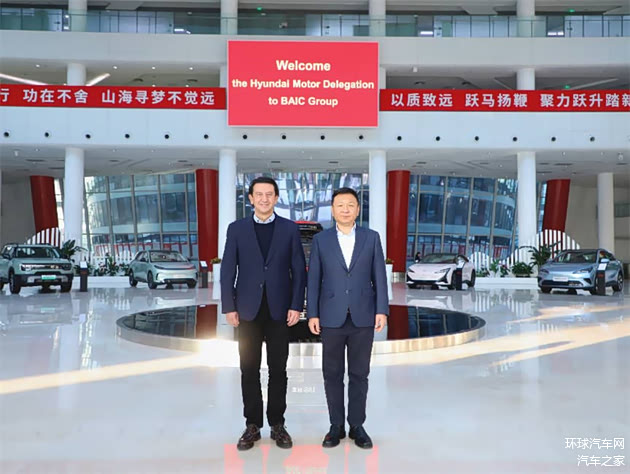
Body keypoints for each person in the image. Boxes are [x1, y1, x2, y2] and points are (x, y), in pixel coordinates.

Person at [221, 176, 307, 451]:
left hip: (280, 311)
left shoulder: (289, 229)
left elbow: (298, 271)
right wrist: (229, 306)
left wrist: (297, 305)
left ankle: (278, 424)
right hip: (247, 310)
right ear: (250, 198)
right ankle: (252, 425)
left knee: (278, 369)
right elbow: (227, 270)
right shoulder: (236, 229)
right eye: (259, 194)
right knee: (248, 368)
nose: (264, 199)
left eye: (269, 194)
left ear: (277, 198)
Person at [306, 187, 388, 450]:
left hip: (363, 316)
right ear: (332, 210)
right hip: (331, 316)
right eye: (340, 205)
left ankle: (357, 426)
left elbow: (379, 276)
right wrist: (313, 313)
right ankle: (336, 426)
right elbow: (314, 279)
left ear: (357, 209)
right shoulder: (321, 240)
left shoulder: (371, 238)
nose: (345, 209)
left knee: (359, 374)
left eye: (350, 205)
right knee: (332, 374)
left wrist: (381, 310)